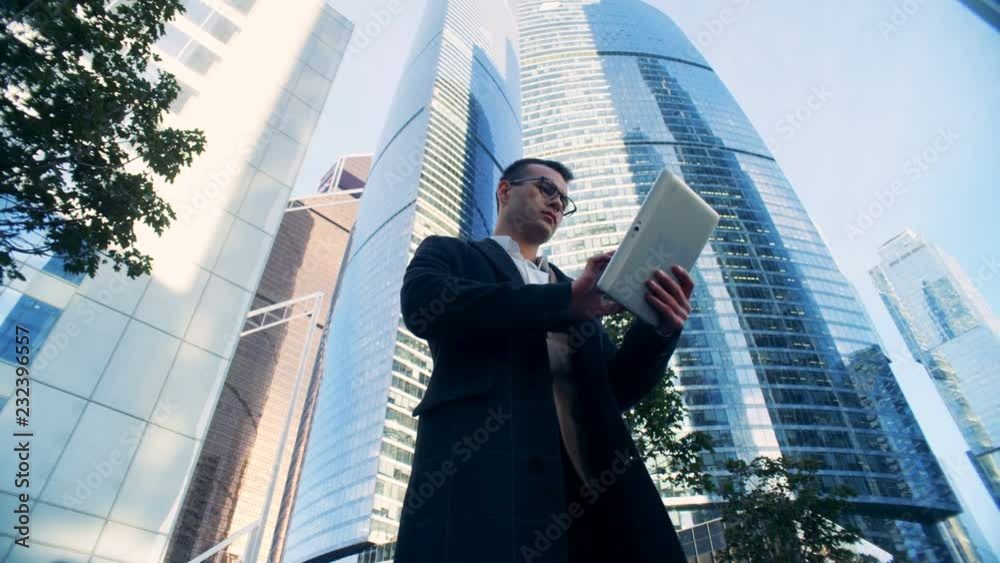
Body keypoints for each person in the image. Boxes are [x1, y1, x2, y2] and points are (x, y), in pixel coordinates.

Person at [395, 158, 695, 562]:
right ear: (505, 190)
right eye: (546, 189)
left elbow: (617, 388)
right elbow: (423, 304)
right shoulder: (452, 254)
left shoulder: (579, 290)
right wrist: (564, 303)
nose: (557, 203)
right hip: (484, 484)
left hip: (591, 501)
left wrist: (659, 327)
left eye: (565, 200)